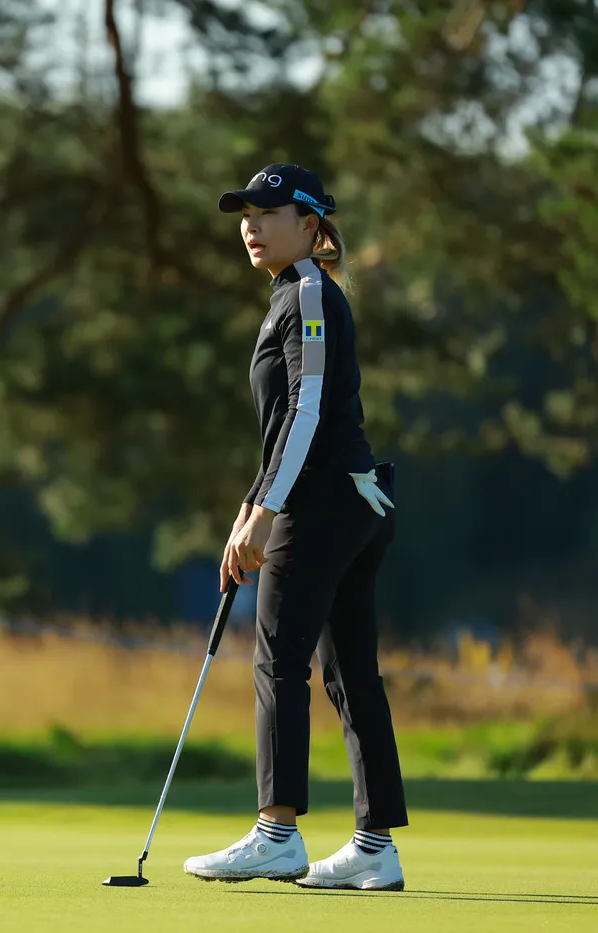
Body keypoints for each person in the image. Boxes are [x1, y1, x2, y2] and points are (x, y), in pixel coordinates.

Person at [181, 164, 408, 891]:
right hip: (350, 502)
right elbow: (285, 422)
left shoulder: (308, 291)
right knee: (350, 674)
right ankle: (374, 848)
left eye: (268, 213)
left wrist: (268, 511)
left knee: (279, 661)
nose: (250, 225)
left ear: (309, 225)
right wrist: (250, 506)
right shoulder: (295, 293)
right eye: (245, 215)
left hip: (322, 507)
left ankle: (276, 833)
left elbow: (307, 412)